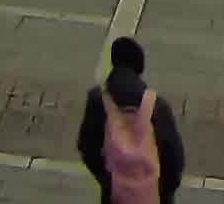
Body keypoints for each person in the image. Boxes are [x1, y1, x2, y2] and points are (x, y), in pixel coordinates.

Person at [76, 36, 186, 202]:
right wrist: (161, 192)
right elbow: (174, 159)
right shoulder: (157, 106)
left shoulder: (99, 101)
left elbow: (87, 147)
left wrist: (109, 181)